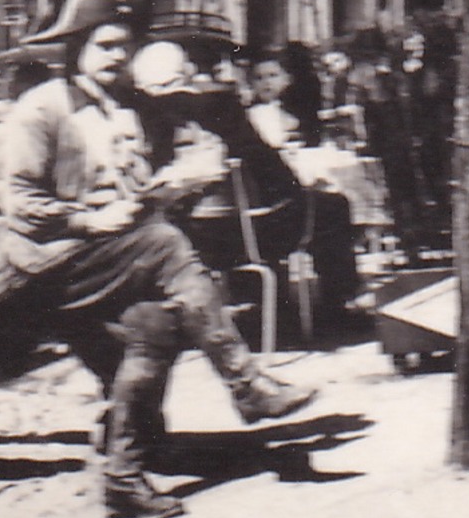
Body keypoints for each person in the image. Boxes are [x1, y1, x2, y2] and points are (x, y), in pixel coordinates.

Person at [0, 0, 317, 518]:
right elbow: (18, 203)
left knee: (155, 323)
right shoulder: (41, 109)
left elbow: (180, 159)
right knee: (164, 244)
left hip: (102, 265)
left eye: (123, 46)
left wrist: (182, 179)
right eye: (105, 45)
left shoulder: (131, 107)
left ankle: (124, 476)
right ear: (74, 48)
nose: (117, 56)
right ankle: (246, 384)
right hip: (32, 274)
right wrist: (87, 218)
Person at [135, 38, 362, 339]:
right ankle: (335, 311)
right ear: (185, 70)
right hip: (243, 235)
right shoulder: (219, 103)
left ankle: (267, 307)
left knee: (262, 212)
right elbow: (267, 165)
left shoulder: (140, 114)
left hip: (184, 235)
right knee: (332, 206)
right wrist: (297, 186)